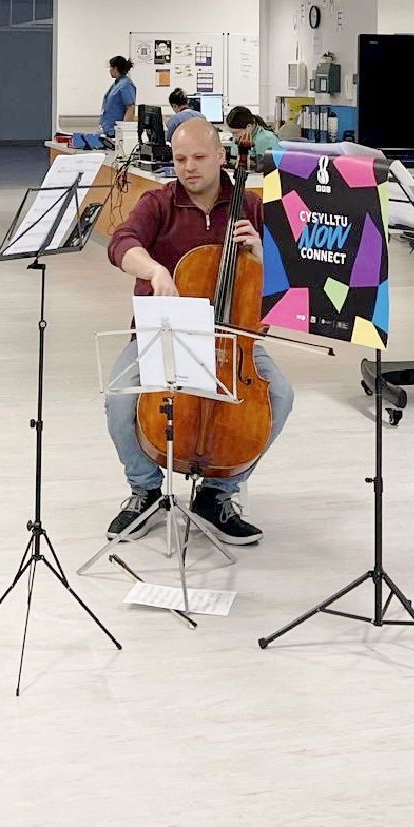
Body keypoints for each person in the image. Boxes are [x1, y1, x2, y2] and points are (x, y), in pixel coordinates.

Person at [102, 116, 295, 545]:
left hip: (234, 338)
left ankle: (218, 493)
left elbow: (289, 274)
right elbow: (121, 244)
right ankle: (146, 491)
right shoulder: (159, 202)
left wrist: (264, 255)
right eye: (180, 158)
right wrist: (154, 271)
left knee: (280, 395)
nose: (188, 167)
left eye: (199, 157)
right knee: (119, 399)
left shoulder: (250, 206)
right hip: (167, 333)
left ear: (221, 157)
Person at [96, 55, 136, 145]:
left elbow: (130, 108)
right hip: (107, 130)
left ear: (116, 68)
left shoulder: (126, 85)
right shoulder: (117, 84)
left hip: (115, 132)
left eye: (111, 68)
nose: (110, 70)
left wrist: (125, 133)